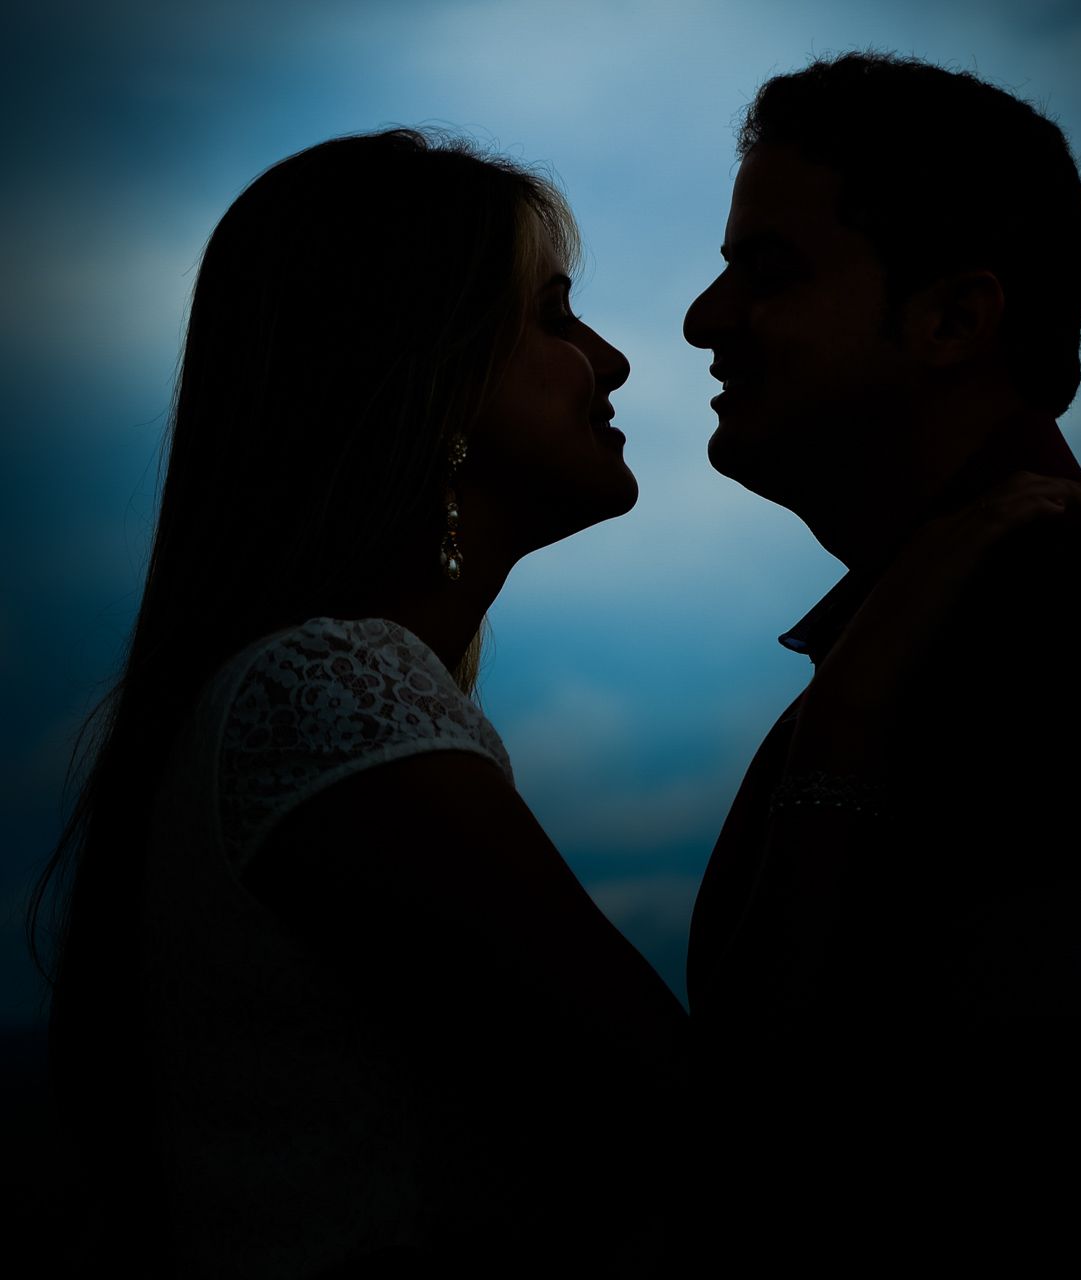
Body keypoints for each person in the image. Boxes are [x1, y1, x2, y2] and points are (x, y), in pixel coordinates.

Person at [681, 52, 1081, 1267]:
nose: (704, 320)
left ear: (952, 319)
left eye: (764, 272)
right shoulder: (963, 602)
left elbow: (1066, 1150)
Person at [26, 129, 690, 1276]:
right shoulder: (330, 692)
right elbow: (682, 1118)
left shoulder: (304, 692)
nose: (613, 361)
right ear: (431, 375)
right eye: (554, 316)